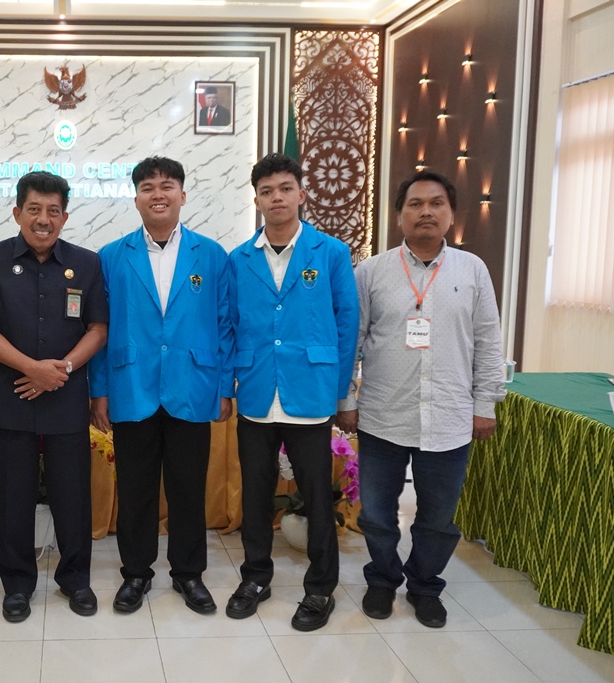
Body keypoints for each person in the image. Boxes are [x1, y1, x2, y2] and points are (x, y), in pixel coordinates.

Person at [336, 171, 505, 629]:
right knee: (377, 513)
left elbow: (488, 341)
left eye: (436, 203)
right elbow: (351, 341)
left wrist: (485, 405)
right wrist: (346, 399)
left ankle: (425, 585)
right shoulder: (371, 272)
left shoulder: (472, 270)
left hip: (449, 417)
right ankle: (382, 579)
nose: (425, 211)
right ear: (399, 215)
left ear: (451, 214)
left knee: (438, 518)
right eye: (415, 204)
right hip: (383, 414)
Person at [89, 156, 233, 615]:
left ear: (182, 196)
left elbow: (225, 324)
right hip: (131, 386)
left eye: (167, 185)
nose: (158, 194)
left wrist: (225, 386)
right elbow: (99, 329)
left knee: (188, 488)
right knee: (136, 489)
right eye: (148, 187)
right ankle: (136, 573)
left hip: (193, 386)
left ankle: (189, 574)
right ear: (135, 199)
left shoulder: (211, 255)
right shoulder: (111, 257)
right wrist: (98, 390)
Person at [225, 153, 358, 629]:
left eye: (285, 188)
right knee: (255, 495)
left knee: (317, 497)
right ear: (257, 200)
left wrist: (341, 394)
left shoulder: (331, 253)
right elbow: (228, 325)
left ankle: (320, 588)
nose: (276, 198)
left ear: (301, 194)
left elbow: (347, 323)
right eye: (266, 191)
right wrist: (228, 384)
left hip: (311, 392)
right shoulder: (239, 259)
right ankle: (255, 577)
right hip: (257, 392)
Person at [0, 172, 108, 623]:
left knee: (72, 492)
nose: (43, 219)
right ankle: (16, 584)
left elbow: (98, 329)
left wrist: (59, 370)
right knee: (14, 492)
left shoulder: (86, 264)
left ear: (64, 217)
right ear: (17, 213)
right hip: (9, 394)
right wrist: (32, 369)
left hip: (65, 394)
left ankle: (76, 579)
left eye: (53, 211)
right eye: (34, 209)